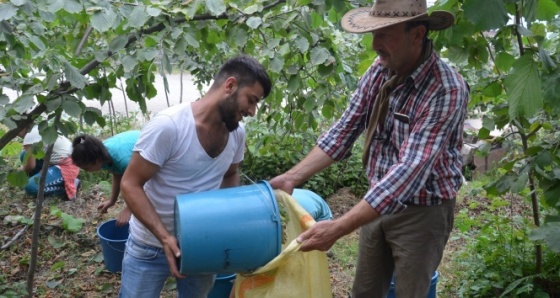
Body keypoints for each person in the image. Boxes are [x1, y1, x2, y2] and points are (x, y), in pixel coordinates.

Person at [269, 1, 470, 297]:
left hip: (423, 210)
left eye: (385, 34)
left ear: (416, 34)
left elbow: (408, 172)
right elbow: (344, 130)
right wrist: (292, 178)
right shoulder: (381, 70)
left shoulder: (446, 89)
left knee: (410, 292)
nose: (375, 44)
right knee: (364, 291)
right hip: (376, 203)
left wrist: (338, 227)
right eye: (373, 33)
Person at [119, 55, 272, 297]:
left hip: (204, 244)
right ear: (230, 86)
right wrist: (165, 237)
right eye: (251, 100)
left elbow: (231, 175)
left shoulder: (237, 133)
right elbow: (130, 184)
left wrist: (230, 223)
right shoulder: (169, 127)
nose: (252, 112)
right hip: (151, 245)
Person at [71, 130, 140, 226]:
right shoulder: (100, 155)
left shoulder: (123, 160)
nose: (86, 171)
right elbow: (117, 174)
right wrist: (112, 200)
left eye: (86, 168)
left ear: (97, 160)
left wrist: (129, 209)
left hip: (154, 150)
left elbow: (142, 184)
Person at [17, 123, 80, 200]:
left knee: (30, 188)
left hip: (67, 166)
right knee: (24, 155)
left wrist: (17, 171)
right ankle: (44, 177)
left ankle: (66, 186)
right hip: (60, 160)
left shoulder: (29, 137)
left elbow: (30, 166)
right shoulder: (39, 127)